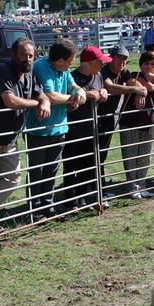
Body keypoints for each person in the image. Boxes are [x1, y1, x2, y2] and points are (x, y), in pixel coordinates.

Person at [0, 38, 50, 238]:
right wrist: (36, 104)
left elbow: (41, 94)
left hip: (10, 137)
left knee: (13, 177)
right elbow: (10, 101)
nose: (27, 59)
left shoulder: (29, 73)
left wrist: (45, 103)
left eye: (31, 55)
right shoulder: (2, 70)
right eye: (23, 54)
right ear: (14, 54)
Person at [26, 39, 86, 219]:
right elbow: (50, 96)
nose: (72, 65)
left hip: (59, 128)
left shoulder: (64, 70)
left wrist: (79, 91)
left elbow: (73, 85)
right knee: (37, 171)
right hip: (39, 128)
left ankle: (48, 206)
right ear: (60, 60)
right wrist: (72, 99)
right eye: (70, 60)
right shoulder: (41, 67)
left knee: (52, 169)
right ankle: (34, 209)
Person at [119, 51, 154, 198]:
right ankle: (132, 187)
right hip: (130, 122)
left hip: (148, 124)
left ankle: (141, 185)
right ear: (141, 64)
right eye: (146, 63)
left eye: (153, 64)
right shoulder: (134, 75)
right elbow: (145, 88)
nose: (149, 66)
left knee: (145, 155)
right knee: (130, 156)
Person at [62, 46, 110, 211]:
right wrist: (86, 94)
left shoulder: (97, 75)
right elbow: (69, 97)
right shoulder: (71, 77)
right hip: (73, 129)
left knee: (89, 164)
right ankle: (69, 201)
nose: (102, 65)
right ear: (89, 62)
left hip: (92, 128)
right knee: (71, 165)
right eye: (100, 62)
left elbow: (102, 87)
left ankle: (81, 197)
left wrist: (103, 91)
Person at [99, 46, 147, 204]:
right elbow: (110, 87)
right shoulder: (103, 70)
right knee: (97, 154)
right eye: (119, 58)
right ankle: (98, 190)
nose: (122, 62)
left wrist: (139, 91)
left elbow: (136, 84)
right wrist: (134, 89)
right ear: (111, 57)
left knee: (103, 154)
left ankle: (101, 189)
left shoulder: (124, 70)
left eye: (125, 59)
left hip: (109, 117)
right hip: (96, 116)